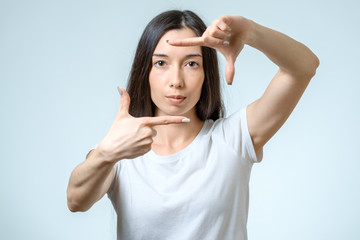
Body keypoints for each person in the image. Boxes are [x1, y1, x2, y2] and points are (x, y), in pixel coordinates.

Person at [67, 10, 319, 240]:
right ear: (145, 72)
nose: (176, 80)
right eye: (161, 63)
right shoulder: (120, 149)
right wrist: (105, 155)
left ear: (206, 74)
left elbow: (304, 67)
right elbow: (76, 201)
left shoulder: (234, 138)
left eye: (191, 63)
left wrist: (252, 32)